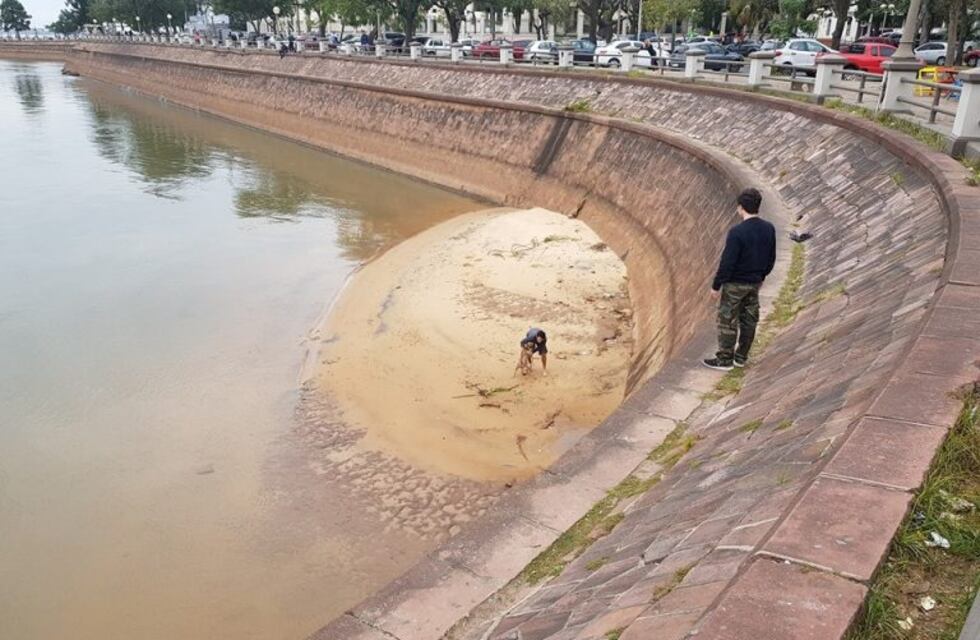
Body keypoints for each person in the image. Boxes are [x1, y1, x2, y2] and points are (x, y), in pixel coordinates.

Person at [703, 188, 776, 371]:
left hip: (735, 284)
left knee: (727, 320)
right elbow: (771, 257)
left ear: (740, 207)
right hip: (754, 283)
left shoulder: (737, 232)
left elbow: (727, 262)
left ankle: (725, 359)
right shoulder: (769, 228)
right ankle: (741, 357)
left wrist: (716, 285)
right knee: (749, 320)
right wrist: (762, 277)